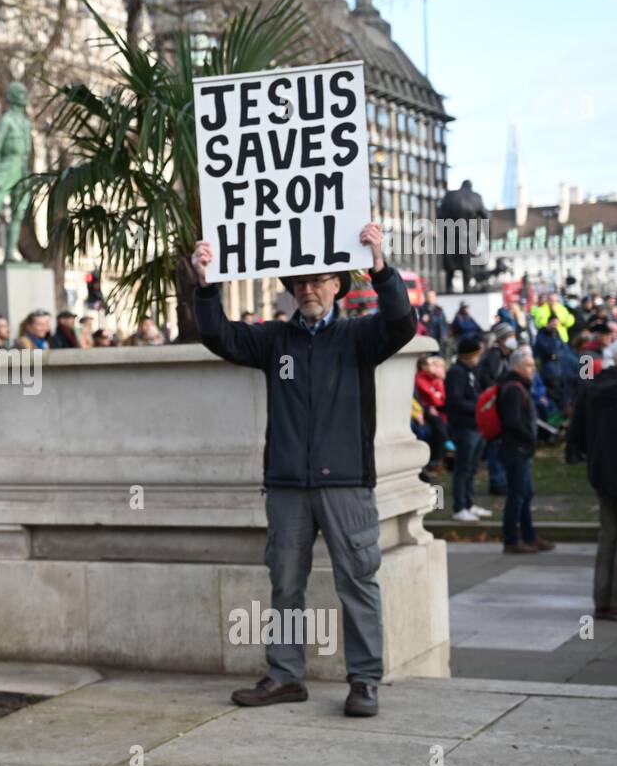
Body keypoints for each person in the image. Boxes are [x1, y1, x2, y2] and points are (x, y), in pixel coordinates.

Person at [191, 222, 414, 718]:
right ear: (291, 292)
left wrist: (381, 267)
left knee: (357, 580)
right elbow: (219, 336)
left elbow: (402, 324)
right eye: (299, 283)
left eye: (318, 280)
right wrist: (206, 284)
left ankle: (364, 680)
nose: (308, 289)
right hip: (289, 486)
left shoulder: (360, 337)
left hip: (348, 483)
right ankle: (286, 675)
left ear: (338, 285)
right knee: (285, 583)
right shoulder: (274, 341)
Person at [567, 335, 617, 619]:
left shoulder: (593, 388)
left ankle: (603, 600)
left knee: (608, 535)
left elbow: (577, 435)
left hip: (601, 474)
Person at [495, 347, 555, 555]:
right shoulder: (513, 388)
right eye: (529, 366)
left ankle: (529, 536)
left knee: (525, 493)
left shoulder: (518, 386)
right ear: (517, 367)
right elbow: (513, 421)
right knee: (517, 495)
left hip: (519, 448)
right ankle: (511, 539)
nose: (533, 370)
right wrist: (529, 437)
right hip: (516, 449)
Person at [446, 336, 491, 521]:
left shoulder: (470, 372)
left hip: (475, 426)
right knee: (463, 468)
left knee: (472, 468)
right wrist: (478, 406)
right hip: (465, 427)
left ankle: (469, 503)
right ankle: (459, 506)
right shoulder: (456, 373)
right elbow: (455, 401)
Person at [476, 321, 519, 496]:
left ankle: (502, 479)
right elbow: (492, 381)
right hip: (495, 406)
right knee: (495, 447)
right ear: (501, 339)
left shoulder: (507, 355)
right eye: (510, 336)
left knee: (502, 447)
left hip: (503, 404)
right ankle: (497, 481)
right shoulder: (493, 357)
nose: (513, 339)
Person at [414, 354, 450, 474]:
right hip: (425, 410)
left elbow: (442, 398)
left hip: (436, 409)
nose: (432, 367)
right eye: (430, 365)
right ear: (423, 366)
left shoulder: (436, 378)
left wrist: (437, 395)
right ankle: (445, 445)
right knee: (437, 426)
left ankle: (439, 459)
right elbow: (432, 397)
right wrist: (436, 396)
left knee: (439, 426)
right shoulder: (420, 378)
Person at [534, 315, 567, 415]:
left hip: (559, 370)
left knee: (560, 394)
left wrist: (557, 355)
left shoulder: (557, 334)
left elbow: (563, 350)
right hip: (549, 371)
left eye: (557, 324)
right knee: (552, 395)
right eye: (553, 324)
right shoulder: (542, 335)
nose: (555, 326)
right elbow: (548, 350)